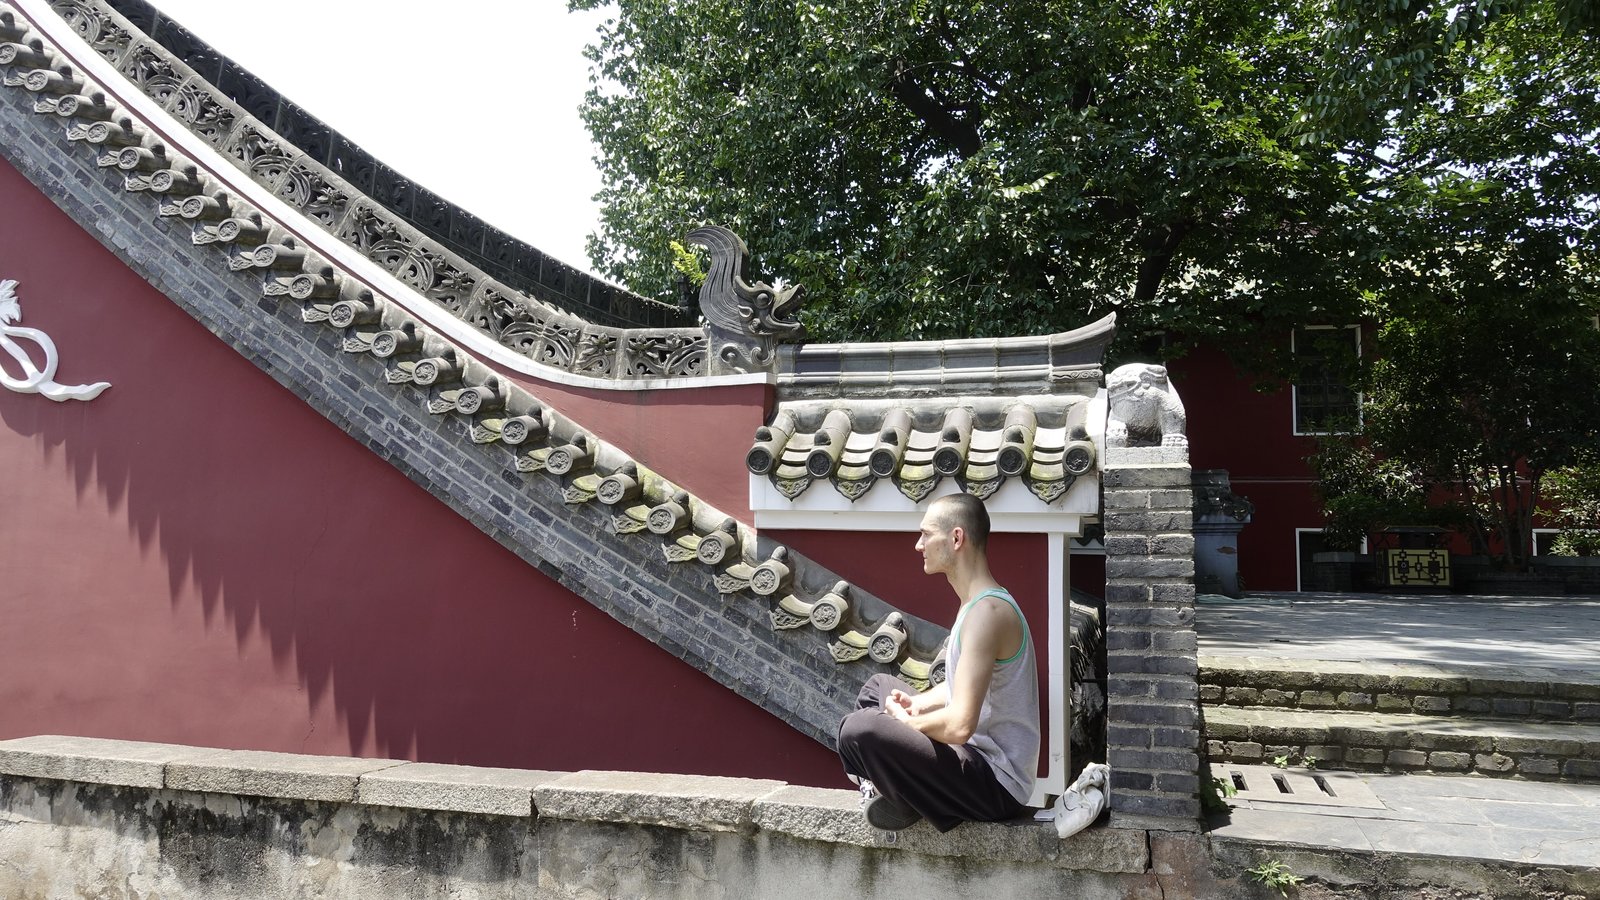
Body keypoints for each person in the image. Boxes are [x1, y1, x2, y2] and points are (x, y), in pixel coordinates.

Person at [836, 492, 1041, 832]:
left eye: (926, 534)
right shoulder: (975, 604)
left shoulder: (987, 613)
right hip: (970, 761)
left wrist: (904, 724)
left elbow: (961, 725)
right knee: (879, 689)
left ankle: (902, 795)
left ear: (956, 537)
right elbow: (962, 685)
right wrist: (917, 704)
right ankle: (906, 797)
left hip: (994, 783)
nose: (919, 545)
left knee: (859, 729)